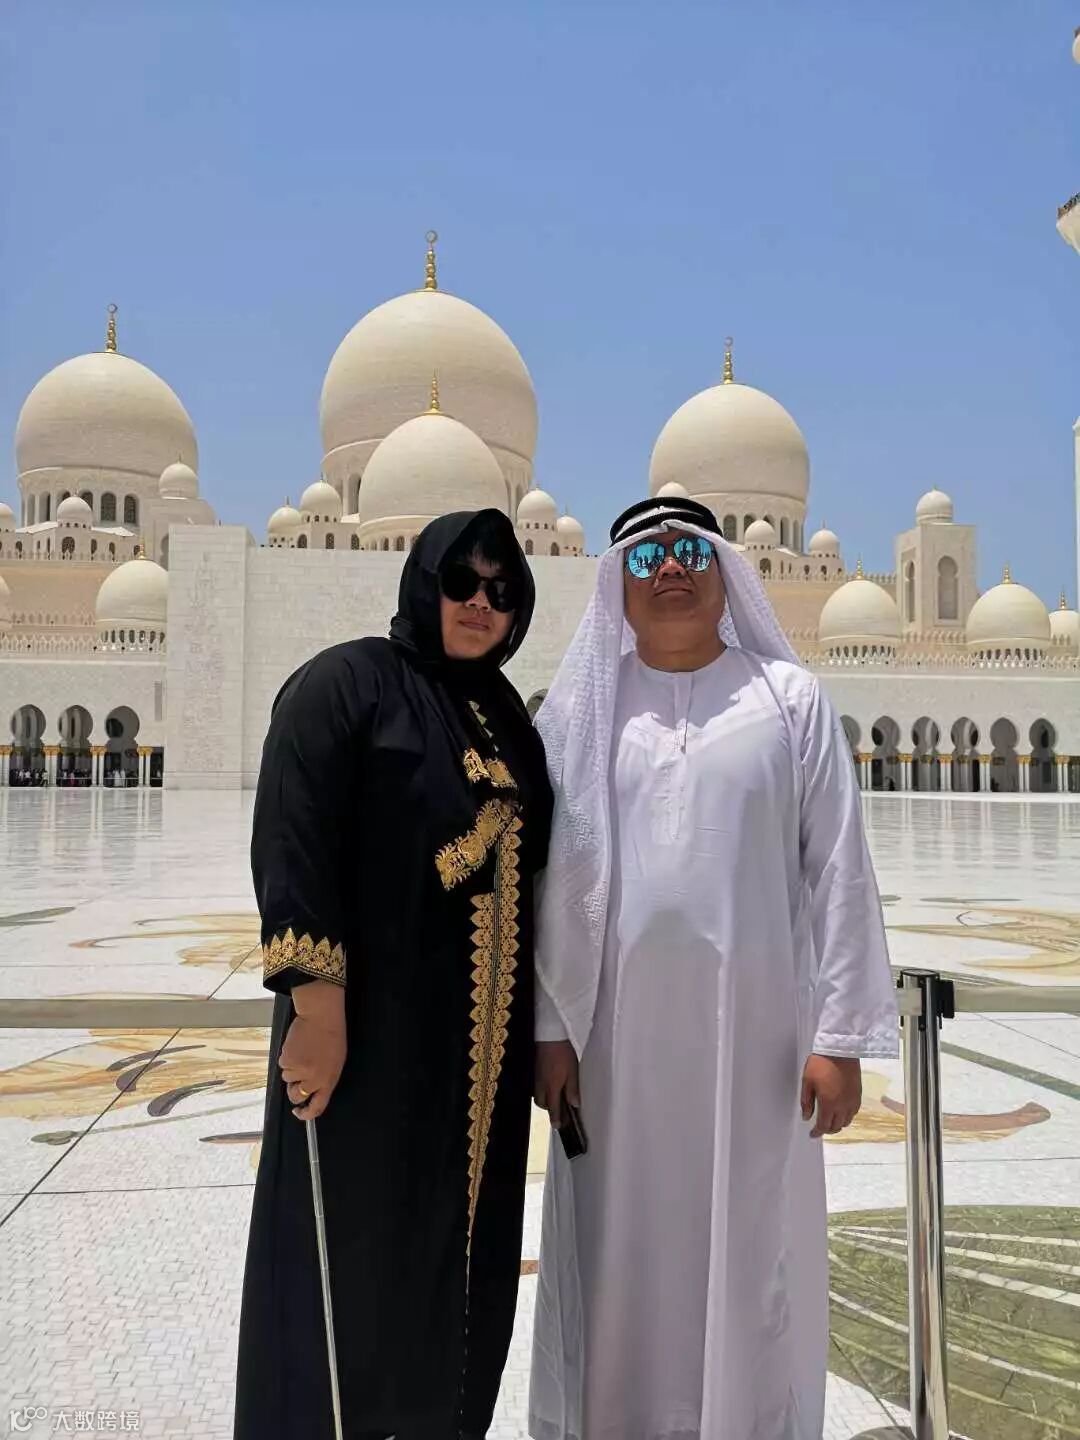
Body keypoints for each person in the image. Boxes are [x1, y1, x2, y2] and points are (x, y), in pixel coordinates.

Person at [529, 496, 898, 1440]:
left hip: (757, 1048)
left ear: (726, 572)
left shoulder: (788, 699)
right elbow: (553, 883)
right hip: (615, 1052)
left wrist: (840, 1039)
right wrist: (551, 1031)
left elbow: (839, 868)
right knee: (618, 1246)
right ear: (618, 580)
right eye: (647, 556)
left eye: (691, 552)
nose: (671, 569)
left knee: (751, 1246)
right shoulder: (584, 713)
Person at [235, 509, 553, 1440]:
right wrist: (317, 1010)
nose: (480, 604)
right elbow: (293, 833)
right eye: (462, 582)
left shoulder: (508, 718)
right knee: (349, 1260)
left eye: (501, 589)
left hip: (478, 1075)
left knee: (459, 1270)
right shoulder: (350, 684)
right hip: (367, 1048)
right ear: (424, 582)